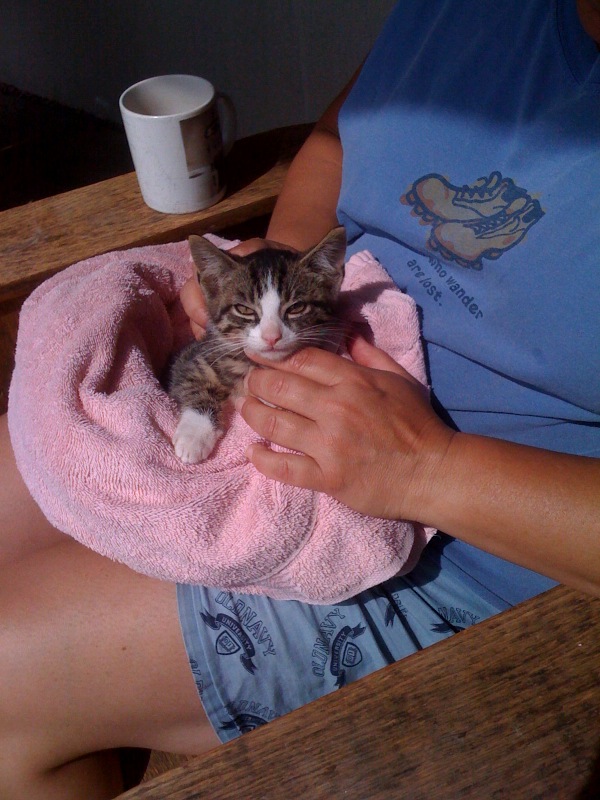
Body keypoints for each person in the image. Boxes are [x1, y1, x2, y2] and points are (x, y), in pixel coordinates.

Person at [1, 0, 599, 796]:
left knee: (7, 676)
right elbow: (332, 141)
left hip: (475, 544)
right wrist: (271, 264)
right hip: (308, 326)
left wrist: (430, 471)